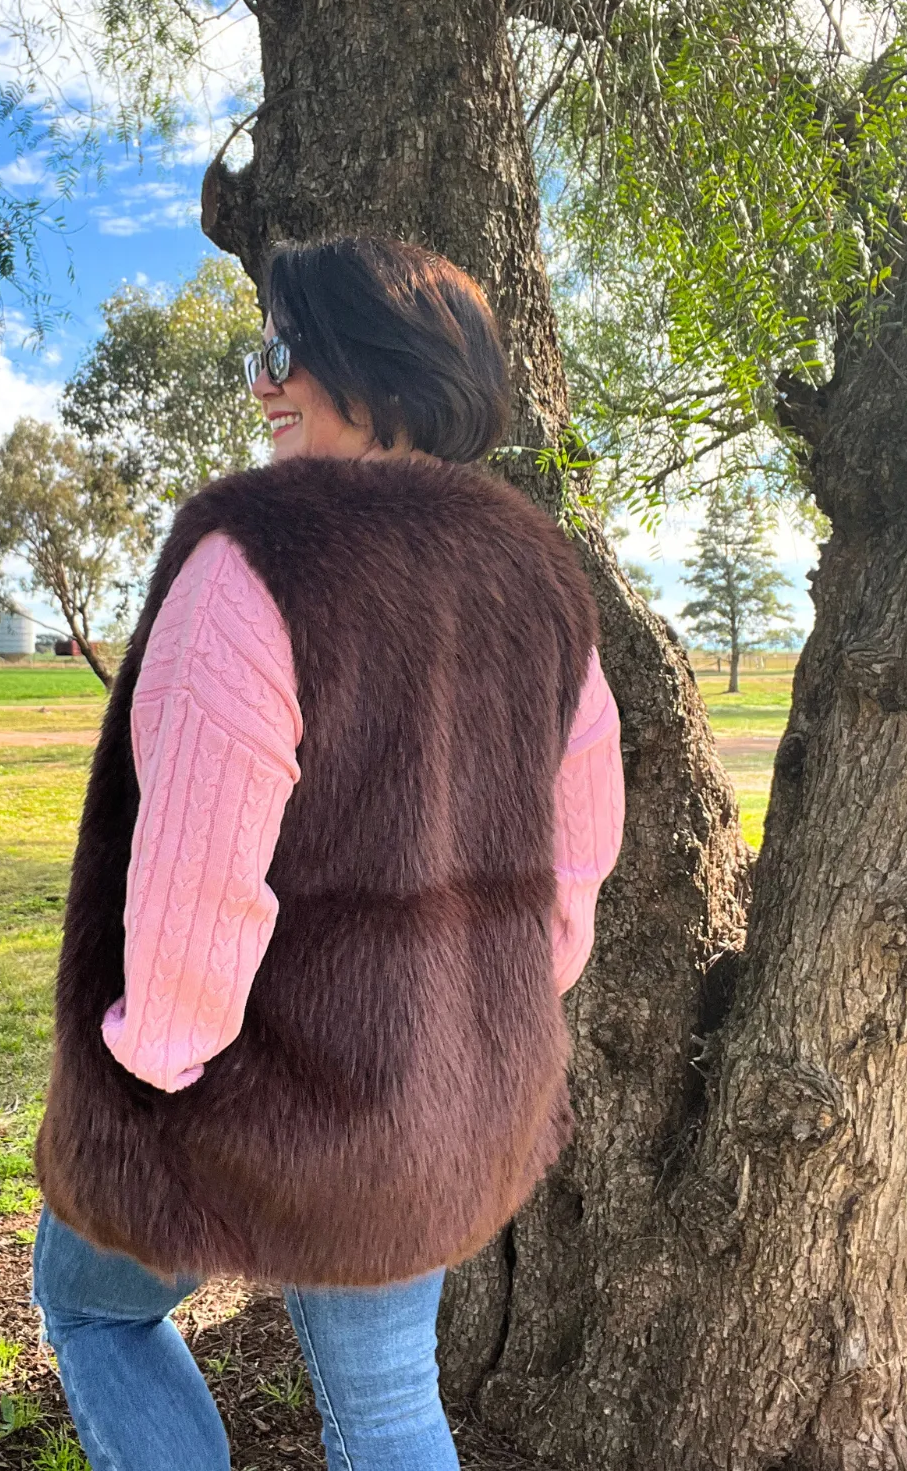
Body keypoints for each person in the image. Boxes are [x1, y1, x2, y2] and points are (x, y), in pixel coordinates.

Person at [32, 236, 624, 1471]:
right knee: (393, 1404)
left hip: (232, 1098)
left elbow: (200, 883)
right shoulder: (544, 587)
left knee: (92, 1305)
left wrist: (144, 1074)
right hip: (424, 1107)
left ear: (376, 365)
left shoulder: (253, 565)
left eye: (282, 351)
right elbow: (574, 883)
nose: (260, 384)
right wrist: (454, 1033)